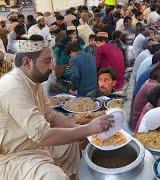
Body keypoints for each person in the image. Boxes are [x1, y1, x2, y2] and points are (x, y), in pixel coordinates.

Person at [0, 38, 114, 180]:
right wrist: (89, 129)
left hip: (35, 146)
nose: (53, 66)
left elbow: (51, 116)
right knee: (53, 176)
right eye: (47, 61)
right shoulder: (13, 87)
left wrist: (83, 131)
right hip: (14, 156)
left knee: (73, 142)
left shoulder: (33, 83)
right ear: (26, 63)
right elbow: (43, 136)